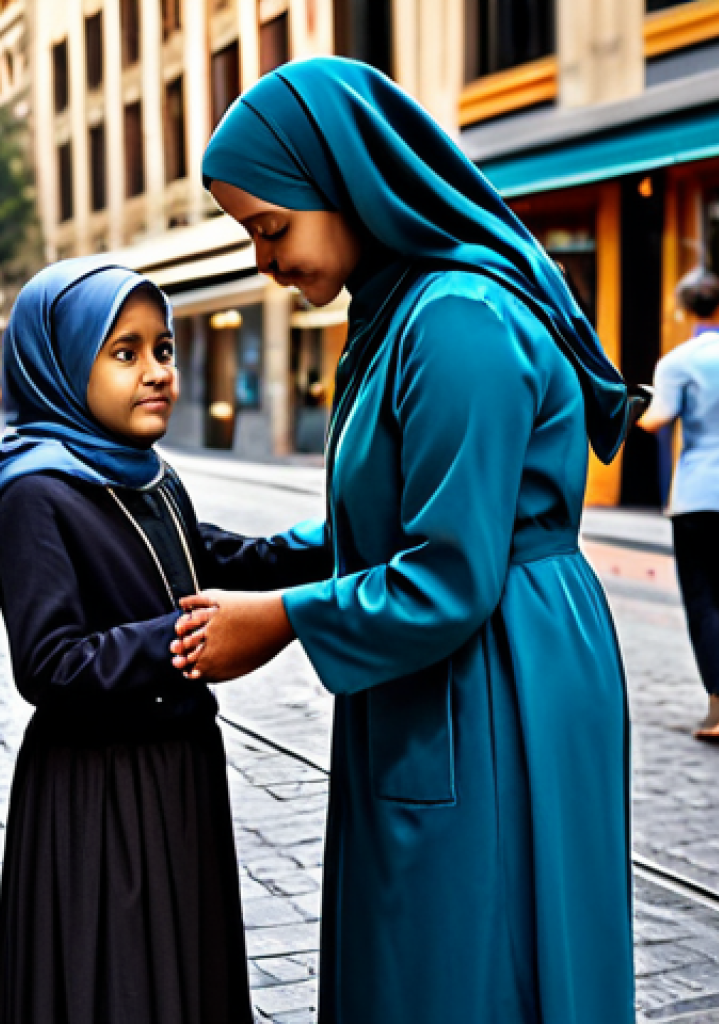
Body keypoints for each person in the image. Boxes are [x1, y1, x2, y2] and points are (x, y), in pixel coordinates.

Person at [172, 57, 646, 1024]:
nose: (263, 260)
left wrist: (283, 618)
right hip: (464, 663)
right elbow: (396, 510)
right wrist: (255, 558)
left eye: (271, 228)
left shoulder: (454, 321)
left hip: (494, 669)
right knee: (440, 938)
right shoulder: (402, 310)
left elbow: (448, 571)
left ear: (344, 188)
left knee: (474, 950)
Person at [0, 257, 330, 1024]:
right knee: (119, 983)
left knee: (183, 976)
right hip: (100, 791)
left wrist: (338, 536)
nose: (157, 370)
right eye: (123, 352)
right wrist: (190, 635)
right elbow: (51, 665)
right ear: (59, 363)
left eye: (161, 348)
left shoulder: (148, 476)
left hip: (179, 770)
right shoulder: (35, 494)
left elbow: (221, 559)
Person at [638, 266, 719, 740]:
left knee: (705, 601)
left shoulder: (678, 361)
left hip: (698, 495)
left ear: (684, 308)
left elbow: (657, 420)